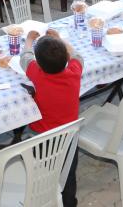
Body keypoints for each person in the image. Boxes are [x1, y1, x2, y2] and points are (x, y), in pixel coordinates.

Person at [20, 29, 83, 207]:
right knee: (68, 173)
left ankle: (43, 197)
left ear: (39, 64)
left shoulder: (37, 74)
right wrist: (60, 39)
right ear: (66, 59)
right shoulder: (74, 73)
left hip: (42, 138)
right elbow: (77, 55)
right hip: (69, 137)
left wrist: (30, 40)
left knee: (43, 169)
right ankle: (69, 202)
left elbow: (25, 57)